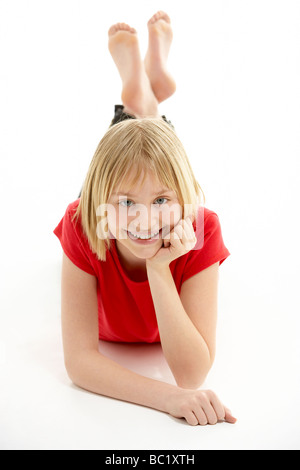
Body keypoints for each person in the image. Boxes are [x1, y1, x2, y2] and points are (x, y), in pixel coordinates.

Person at [53, 11, 237, 426]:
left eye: (161, 202)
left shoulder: (201, 226)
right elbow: (80, 361)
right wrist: (168, 400)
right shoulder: (83, 222)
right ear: (102, 204)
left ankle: (143, 96)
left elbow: (192, 373)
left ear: (185, 199)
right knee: (130, 160)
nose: (143, 221)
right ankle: (147, 97)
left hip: (148, 191)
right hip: (99, 202)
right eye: (125, 204)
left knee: (152, 160)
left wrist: (159, 267)